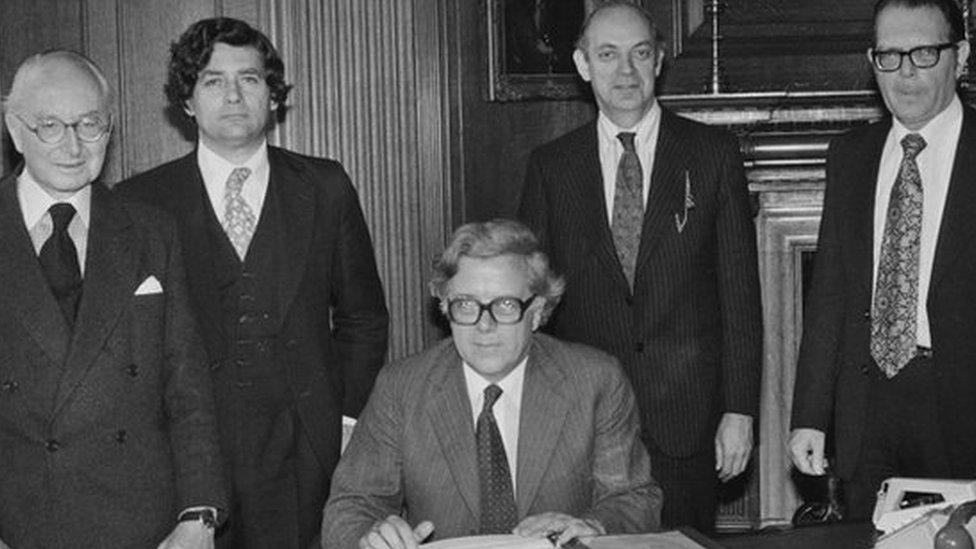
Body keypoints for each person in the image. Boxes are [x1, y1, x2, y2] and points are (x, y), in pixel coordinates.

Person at [117, 18, 389, 549]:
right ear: (188, 101)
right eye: (213, 80)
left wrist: (346, 419)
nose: (234, 95)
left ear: (273, 95)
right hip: (189, 457)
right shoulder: (140, 203)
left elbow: (363, 317)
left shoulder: (325, 185)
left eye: (250, 79)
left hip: (305, 448)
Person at [517, 1, 762, 534]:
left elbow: (741, 297)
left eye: (639, 54)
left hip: (688, 424)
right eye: (608, 55)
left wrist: (740, 411)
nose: (625, 71)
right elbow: (531, 304)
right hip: (585, 422)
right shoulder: (552, 167)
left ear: (659, 62)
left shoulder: (712, 154)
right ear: (584, 65)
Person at [0, 50, 225, 548]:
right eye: (50, 126)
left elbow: (186, 385)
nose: (74, 145)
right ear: (15, 131)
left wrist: (199, 515)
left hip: (143, 526)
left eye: (90, 124)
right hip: (19, 523)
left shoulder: (150, 231)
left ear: (110, 128)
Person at [322, 219, 661, 548]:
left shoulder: (595, 381)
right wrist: (372, 536)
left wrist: (592, 526)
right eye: (466, 305)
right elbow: (349, 509)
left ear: (538, 311)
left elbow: (634, 499)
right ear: (444, 306)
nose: (484, 325)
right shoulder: (402, 388)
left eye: (505, 305)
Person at [789, 0, 976, 519]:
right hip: (867, 408)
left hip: (961, 406)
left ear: (960, 57)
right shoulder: (850, 156)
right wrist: (810, 414)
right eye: (889, 56)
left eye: (924, 53)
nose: (906, 72)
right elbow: (828, 292)